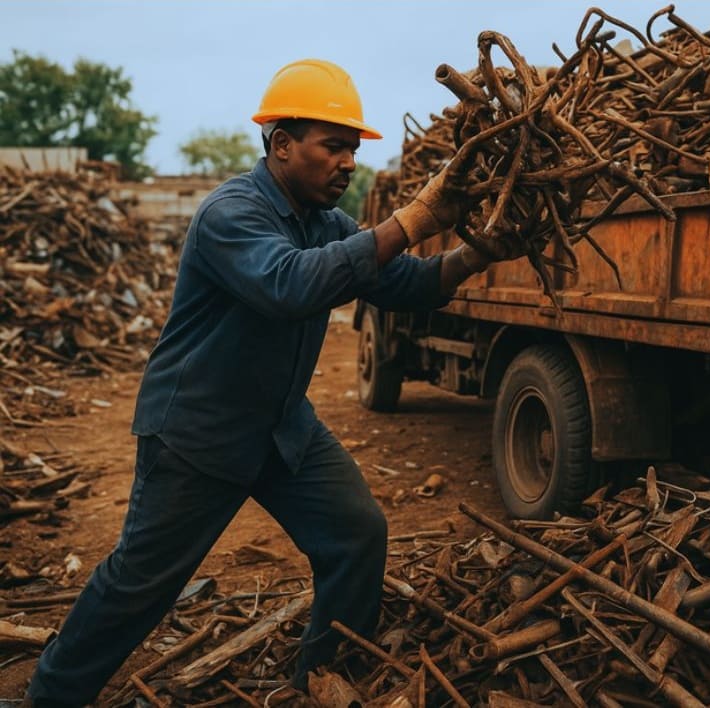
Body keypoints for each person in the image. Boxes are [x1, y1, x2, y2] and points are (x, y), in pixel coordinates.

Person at [25, 58, 496, 706]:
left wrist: (479, 251)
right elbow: (288, 286)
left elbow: (401, 285)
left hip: (281, 427)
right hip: (199, 431)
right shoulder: (231, 213)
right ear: (280, 145)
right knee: (140, 585)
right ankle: (50, 696)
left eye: (352, 150)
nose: (347, 162)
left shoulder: (325, 223)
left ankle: (326, 680)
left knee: (356, 533)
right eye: (333, 146)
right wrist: (413, 216)